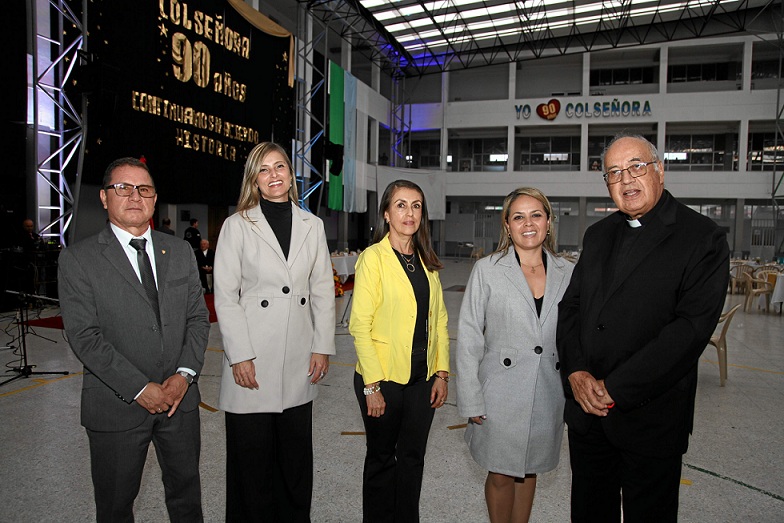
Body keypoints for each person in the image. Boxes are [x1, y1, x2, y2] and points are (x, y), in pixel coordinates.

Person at [556, 134, 730, 522]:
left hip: (651, 417)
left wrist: (613, 389)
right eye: (614, 172)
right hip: (588, 416)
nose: (626, 179)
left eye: (637, 166)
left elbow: (689, 330)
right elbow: (571, 307)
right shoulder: (598, 235)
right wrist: (576, 372)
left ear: (660, 171)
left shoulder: (702, 237)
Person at [58, 157, 210, 522]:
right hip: (117, 405)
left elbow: (197, 318)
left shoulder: (178, 251)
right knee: (115, 506)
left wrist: (184, 375)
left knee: (186, 496)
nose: (134, 196)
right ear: (104, 197)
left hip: (179, 402)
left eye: (143, 189)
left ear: (155, 200)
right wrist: (141, 388)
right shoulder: (79, 259)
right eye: (122, 188)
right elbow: (85, 336)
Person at [213, 142, 335, 522]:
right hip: (253, 357)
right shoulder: (236, 225)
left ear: (290, 174)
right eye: (263, 169)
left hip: (299, 357)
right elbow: (225, 295)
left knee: (295, 462)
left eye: (280, 166)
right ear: (254, 179)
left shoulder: (311, 225)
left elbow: (322, 291)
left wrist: (322, 346)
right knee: (251, 464)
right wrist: (241, 354)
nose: (274, 175)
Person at [457, 187, 574, 523]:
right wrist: (471, 398)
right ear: (507, 225)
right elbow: (468, 337)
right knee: (501, 473)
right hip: (499, 393)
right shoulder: (488, 270)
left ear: (548, 222)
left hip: (547, 389)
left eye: (536, 215)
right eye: (518, 216)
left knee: (530, 469)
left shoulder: (568, 273)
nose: (528, 223)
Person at [349, 179, 450, 523]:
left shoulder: (426, 261)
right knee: (380, 459)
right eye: (401, 205)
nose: (410, 212)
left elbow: (439, 321)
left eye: (417, 205)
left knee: (412, 459)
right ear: (387, 214)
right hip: (384, 379)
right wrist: (372, 386)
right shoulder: (373, 259)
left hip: (422, 381)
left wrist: (442, 372)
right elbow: (359, 325)